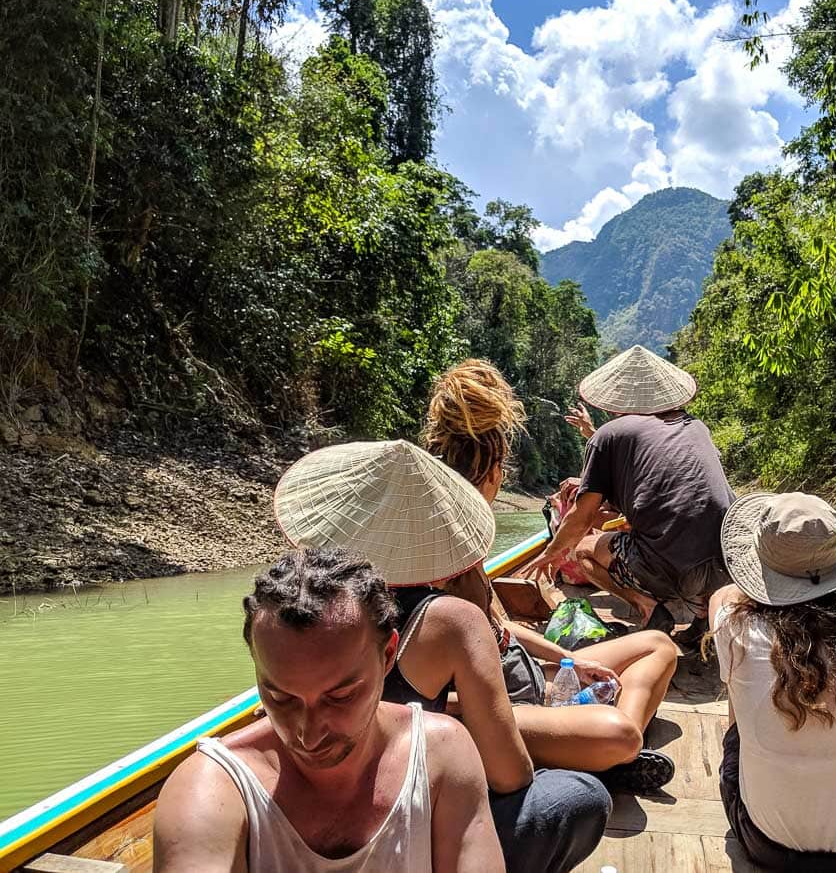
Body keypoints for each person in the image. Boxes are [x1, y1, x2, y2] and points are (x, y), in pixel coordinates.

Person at [272, 438, 613, 873]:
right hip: (395, 830)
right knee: (580, 794)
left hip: (311, 823)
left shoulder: (284, 607)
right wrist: (479, 618)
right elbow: (510, 776)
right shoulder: (446, 619)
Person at [153, 547, 502, 872]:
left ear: (387, 656)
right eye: (280, 698)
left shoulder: (441, 754)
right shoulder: (212, 786)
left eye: (340, 697)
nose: (308, 732)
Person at [421, 359, 678, 788]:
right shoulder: (424, 563)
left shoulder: (463, 541)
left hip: (527, 680)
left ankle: (590, 746)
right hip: (498, 709)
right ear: (493, 472)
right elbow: (416, 697)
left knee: (657, 645)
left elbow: (501, 631)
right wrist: (495, 713)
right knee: (621, 734)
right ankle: (600, 752)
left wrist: (569, 660)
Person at [709, 492, 836, 870]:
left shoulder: (732, 626)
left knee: (738, 721)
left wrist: (771, 578)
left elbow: (723, 596)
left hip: (765, 843)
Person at [526, 345, 735, 646]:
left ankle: (649, 608)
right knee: (695, 531)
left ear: (615, 400)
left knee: (582, 550)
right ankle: (703, 618)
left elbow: (581, 517)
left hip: (670, 572)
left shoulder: (608, 435)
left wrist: (552, 552)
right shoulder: (696, 427)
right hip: (723, 568)